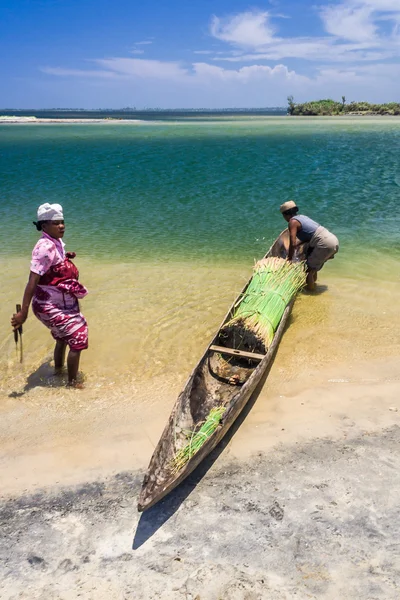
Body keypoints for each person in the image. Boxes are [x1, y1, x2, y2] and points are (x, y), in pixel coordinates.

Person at [11, 203, 89, 388]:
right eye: (56, 223)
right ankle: (72, 384)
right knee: (77, 337)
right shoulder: (45, 247)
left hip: (62, 302)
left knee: (62, 337)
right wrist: (23, 313)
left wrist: (66, 258)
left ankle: (58, 372)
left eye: (62, 222)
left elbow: (52, 266)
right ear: (44, 226)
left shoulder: (55, 242)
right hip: (49, 305)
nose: (61, 226)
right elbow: (32, 281)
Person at [279, 200, 339, 291]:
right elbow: (310, 236)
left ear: (285, 214)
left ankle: (310, 293)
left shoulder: (292, 222)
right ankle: (313, 285)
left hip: (323, 244)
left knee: (307, 270)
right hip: (333, 240)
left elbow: (292, 242)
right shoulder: (302, 217)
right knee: (312, 268)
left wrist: (289, 258)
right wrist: (298, 245)